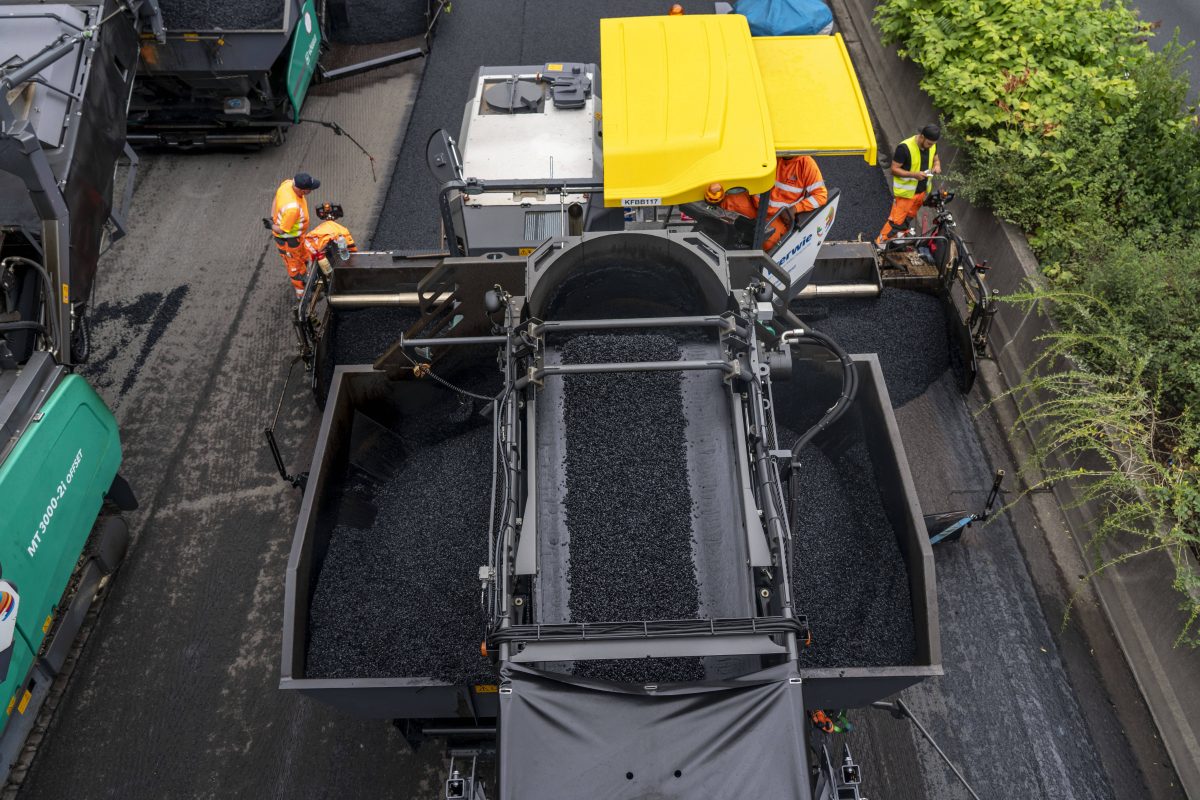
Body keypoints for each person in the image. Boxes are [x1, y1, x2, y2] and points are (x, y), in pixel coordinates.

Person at [710, 155, 828, 250]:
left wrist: (795, 209)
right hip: (754, 205)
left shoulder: (806, 164)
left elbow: (820, 195)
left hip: (777, 217)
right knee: (726, 204)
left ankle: (755, 268)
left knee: (767, 241)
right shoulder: (768, 156)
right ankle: (716, 243)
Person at [876, 124, 941, 247]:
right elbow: (894, 169)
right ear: (922, 137)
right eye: (929, 143)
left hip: (920, 193)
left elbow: (936, 159)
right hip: (905, 194)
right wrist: (914, 175)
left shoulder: (932, 145)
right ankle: (880, 245)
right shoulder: (904, 148)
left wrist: (937, 166)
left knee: (908, 218)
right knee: (896, 221)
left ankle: (897, 240)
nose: (931, 146)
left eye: (933, 144)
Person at [270, 172, 320, 298]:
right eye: (310, 189)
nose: (311, 191)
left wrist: (272, 217)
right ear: (303, 190)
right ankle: (302, 294)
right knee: (295, 267)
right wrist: (271, 225)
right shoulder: (292, 208)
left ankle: (306, 276)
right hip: (289, 242)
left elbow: (276, 198)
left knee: (303, 256)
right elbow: (282, 230)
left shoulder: (287, 184)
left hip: (297, 238)